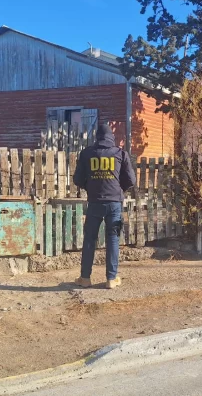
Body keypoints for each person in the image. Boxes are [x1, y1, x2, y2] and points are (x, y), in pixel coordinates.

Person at [73, 123, 136, 289]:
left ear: (97, 137)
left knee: (89, 240)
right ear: (111, 137)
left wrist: (91, 187)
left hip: (94, 203)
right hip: (114, 203)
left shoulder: (87, 154)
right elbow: (131, 180)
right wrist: (117, 188)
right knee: (113, 239)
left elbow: (78, 180)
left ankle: (85, 278)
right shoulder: (120, 153)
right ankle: (111, 279)